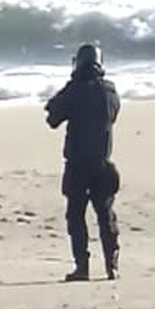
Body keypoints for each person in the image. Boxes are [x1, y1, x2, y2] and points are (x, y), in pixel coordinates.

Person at [45, 43, 121, 281]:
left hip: (77, 165)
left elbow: (52, 118)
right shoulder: (110, 92)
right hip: (102, 163)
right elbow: (113, 115)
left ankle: (82, 267)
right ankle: (112, 266)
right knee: (106, 215)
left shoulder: (74, 90)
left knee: (76, 216)